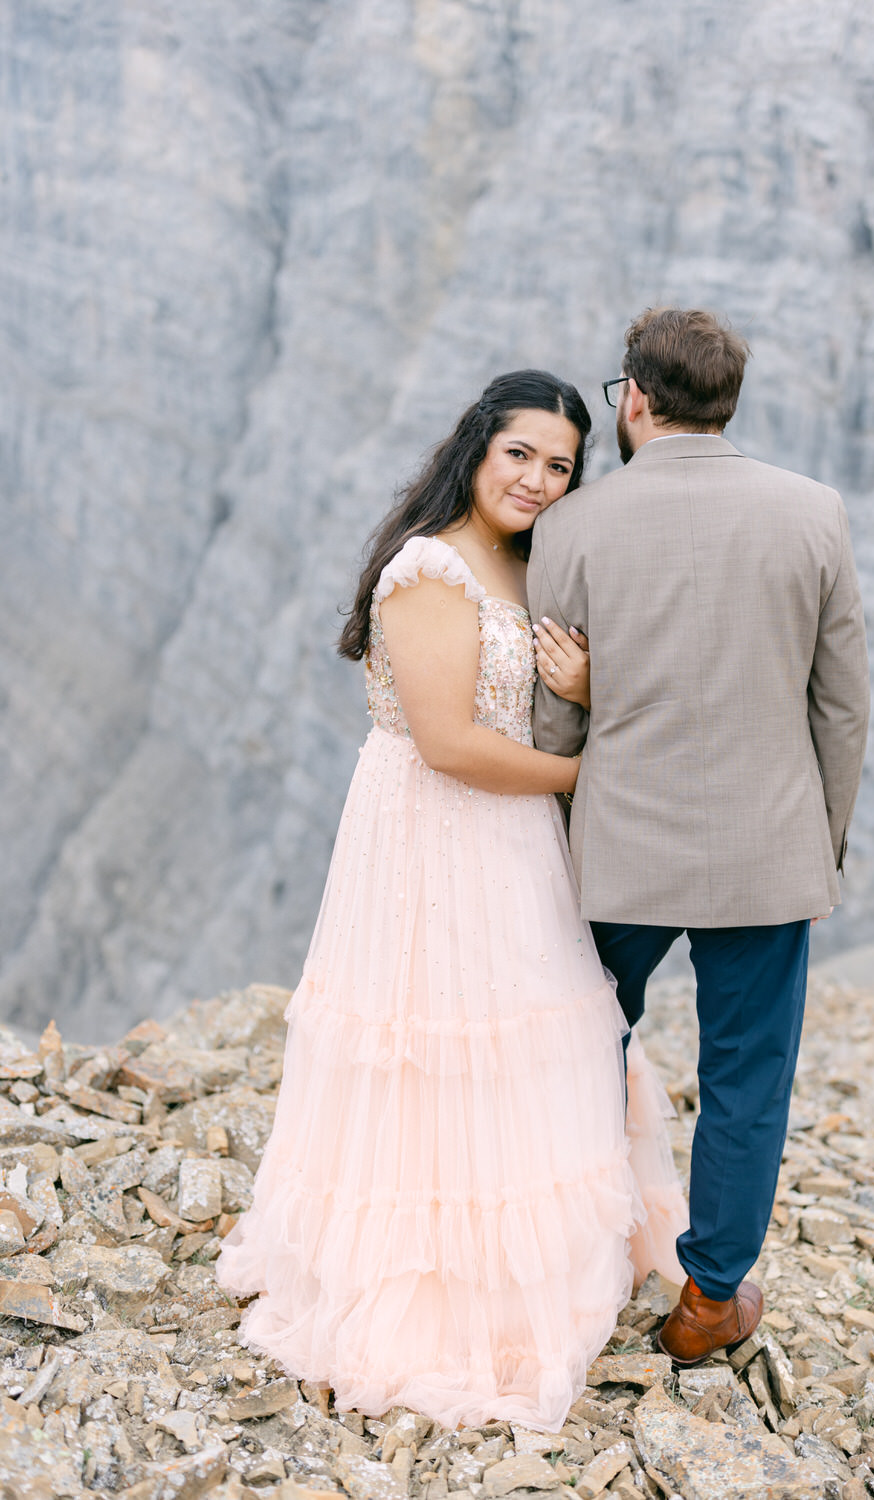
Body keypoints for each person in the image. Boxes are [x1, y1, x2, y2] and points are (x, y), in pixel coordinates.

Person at [216, 369, 687, 1433]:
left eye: (559, 463)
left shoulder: (526, 565)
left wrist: (582, 701)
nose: (534, 477)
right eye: (517, 452)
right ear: (476, 448)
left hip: (512, 838)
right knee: (438, 1043)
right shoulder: (428, 569)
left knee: (528, 1036)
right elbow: (449, 744)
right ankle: (430, 1288)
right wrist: (592, 776)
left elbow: (531, 705)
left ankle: (522, 1275)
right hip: (433, 836)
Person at [528, 309, 870, 1368]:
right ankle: (708, 1299)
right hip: (767, 855)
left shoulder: (572, 528)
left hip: (618, 852)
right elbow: (840, 709)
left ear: (631, 396)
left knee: (577, 1047)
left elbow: (553, 714)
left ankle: (565, 1257)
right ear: (727, 401)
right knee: (744, 1077)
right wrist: (821, 842)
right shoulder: (813, 514)